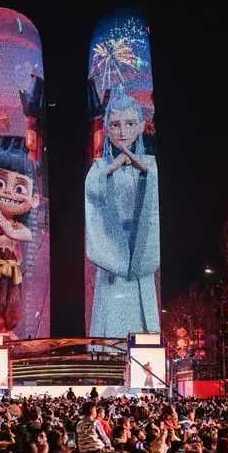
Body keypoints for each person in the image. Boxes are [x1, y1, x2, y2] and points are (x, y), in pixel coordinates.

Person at [85, 93, 160, 340]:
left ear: (141, 126)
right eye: (116, 125)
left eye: (130, 123)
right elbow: (91, 193)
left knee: (142, 308)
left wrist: (145, 171)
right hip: (112, 250)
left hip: (141, 248)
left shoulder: (151, 164)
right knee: (108, 314)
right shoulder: (99, 167)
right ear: (107, 129)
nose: (123, 131)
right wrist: (112, 167)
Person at [0, 143, 40, 333]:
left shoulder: (15, 225)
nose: (8, 192)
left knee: (12, 301)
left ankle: (9, 328)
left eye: (19, 188)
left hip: (12, 268)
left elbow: (27, 234)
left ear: (34, 199)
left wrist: (9, 230)